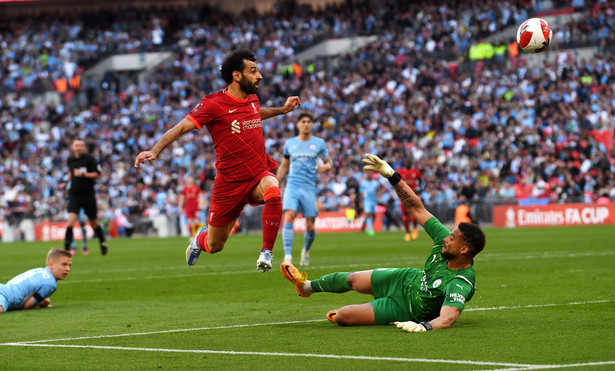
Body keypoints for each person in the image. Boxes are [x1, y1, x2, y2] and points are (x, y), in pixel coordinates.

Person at [134, 49, 301, 272]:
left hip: (257, 174)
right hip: (229, 184)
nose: (259, 75)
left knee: (273, 189)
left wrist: (282, 110)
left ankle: (266, 252)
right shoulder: (213, 104)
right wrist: (155, 150)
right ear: (236, 75)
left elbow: (255, 112)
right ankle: (200, 238)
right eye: (253, 71)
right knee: (214, 245)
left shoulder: (252, 98)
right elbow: (182, 126)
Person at [281, 153, 486, 332]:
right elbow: (417, 208)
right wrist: (392, 176)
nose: (446, 239)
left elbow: (449, 317)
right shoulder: (443, 239)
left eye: (452, 238)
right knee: (352, 279)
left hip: (404, 309)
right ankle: (305, 286)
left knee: (343, 317)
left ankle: (362, 313)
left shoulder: (461, 281)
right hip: (403, 279)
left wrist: (425, 326)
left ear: (464, 249)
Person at [276, 112, 332, 266]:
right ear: (298, 124)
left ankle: (305, 250)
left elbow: (329, 163)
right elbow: (284, 165)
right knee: (289, 216)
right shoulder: (290, 143)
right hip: (292, 185)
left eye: (309, 121)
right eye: (303, 121)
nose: (306, 124)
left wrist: (325, 167)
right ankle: (287, 256)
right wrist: (276, 181)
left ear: (311, 125)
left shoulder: (319, 143)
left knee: (310, 226)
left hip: (309, 187)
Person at [64, 139, 108, 255]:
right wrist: (66, 180)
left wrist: (83, 174)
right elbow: (71, 172)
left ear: (84, 147)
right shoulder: (70, 160)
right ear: (73, 147)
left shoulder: (90, 159)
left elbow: (98, 174)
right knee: (70, 222)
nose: (79, 147)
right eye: (77, 145)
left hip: (88, 195)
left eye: (81, 145)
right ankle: (65, 250)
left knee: (93, 222)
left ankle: (102, 242)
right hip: (74, 194)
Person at [0, 248, 72, 313]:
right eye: (64, 264)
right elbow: (26, 307)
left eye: (69, 265)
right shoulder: (50, 284)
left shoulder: (40, 270)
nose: (68, 269)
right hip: (5, 296)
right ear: (51, 264)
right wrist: (37, 304)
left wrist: (40, 301)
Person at [397, 158, 422, 241]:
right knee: (405, 215)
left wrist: (418, 188)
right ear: (404, 163)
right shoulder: (400, 172)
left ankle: (415, 230)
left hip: (414, 195)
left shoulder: (416, 172)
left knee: (414, 213)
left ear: (411, 163)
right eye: (406, 162)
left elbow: (420, 181)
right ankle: (407, 233)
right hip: (404, 195)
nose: (408, 163)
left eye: (409, 162)